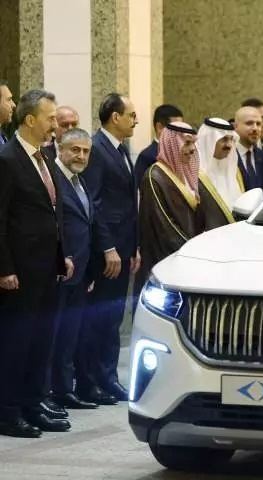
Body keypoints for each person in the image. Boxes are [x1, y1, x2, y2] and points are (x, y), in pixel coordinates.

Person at [0, 89, 72, 437]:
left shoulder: (44, 157)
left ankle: (33, 403)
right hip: (20, 272)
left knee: (41, 342)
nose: (55, 125)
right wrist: (4, 268)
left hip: (47, 269)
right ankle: (8, 411)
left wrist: (63, 255)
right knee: (17, 345)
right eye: (50, 118)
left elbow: (53, 213)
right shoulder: (7, 160)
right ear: (30, 120)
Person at [79, 93, 140, 404]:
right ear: (115, 117)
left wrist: (134, 246)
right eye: (131, 115)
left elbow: (127, 203)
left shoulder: (121, 149)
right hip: (107, 253)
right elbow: (95, 204)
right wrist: (108, 248)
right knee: (99, 319)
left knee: (113, 319)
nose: (136, 121)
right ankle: (90, 382)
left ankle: (108, 377)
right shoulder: (97, 149)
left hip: (124, 247)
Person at [49, 128, 99, 411]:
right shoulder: (53, 179)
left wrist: (89, 271)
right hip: (59, 271)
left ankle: (64, 390)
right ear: (60, 149)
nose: (81, 156)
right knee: (53, 336)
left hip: (79, 274)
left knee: (70, 336)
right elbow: (52, 226)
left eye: (86, 151)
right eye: (75, 150)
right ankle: (47, 393)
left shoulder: (80, 181)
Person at [137, 122, 203, 288]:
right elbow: (164, 226)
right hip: (166, 257)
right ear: (171, 144)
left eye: (193, 143)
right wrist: (189, 250)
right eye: (187, 143)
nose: (192, 149)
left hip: (188, 253)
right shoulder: (155, 177)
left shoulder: (187, 173)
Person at [196, 118, 242, 230]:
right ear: (209, 141)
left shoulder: (234, 172)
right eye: (224, 139)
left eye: (231, 139)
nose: (229, 145)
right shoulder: (196, 174)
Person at [133, 104, 184, 191]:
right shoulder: (146, 156)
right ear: (159, 127)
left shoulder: (182, 153)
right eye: (176, 128)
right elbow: (142, 190)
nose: (181, 133)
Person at [234, 106, 263, 195]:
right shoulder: (227, 156)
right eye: (249, 123)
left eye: (258, 124)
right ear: (235, 126)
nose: (255, 128)